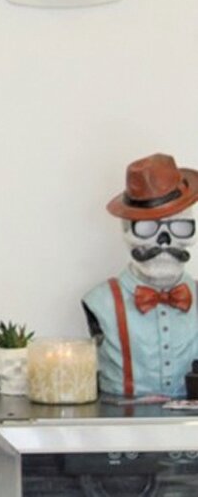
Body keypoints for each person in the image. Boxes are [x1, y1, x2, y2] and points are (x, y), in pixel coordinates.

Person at [83, 153, 198, 399]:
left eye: (179, 226)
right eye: (147, 228)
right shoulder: (99, 301)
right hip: (120, 432)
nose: (164, 241)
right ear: (126, 231)